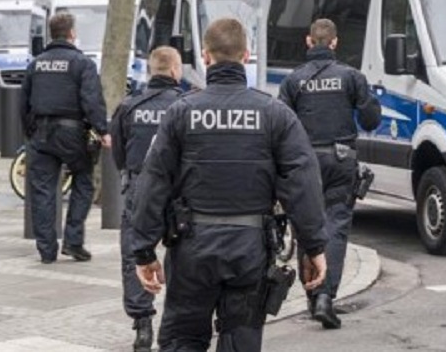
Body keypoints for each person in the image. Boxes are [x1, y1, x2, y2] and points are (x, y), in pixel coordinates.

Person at [130, 18, 329, 352]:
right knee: (241, 340)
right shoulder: (274, 114)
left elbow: (154, 181)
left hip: (192, 249)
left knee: (182, 340)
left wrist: (144, 250)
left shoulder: (181, 113)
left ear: (205, 57)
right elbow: (302, 183)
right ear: (246, 56)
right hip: (249, 248)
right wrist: (314, 246)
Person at [278, 18, 381, 329]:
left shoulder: (293, 80)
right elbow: (371, 119)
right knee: (336, 226)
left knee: (306, 227)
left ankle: (313, 297)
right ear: (334, 43)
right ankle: (325, 297)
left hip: (304, 161)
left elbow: (281, 127)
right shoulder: (351, 76)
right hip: (340, 159)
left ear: (309, 41)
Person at [20, 12, 110, 264]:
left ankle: (46, 250)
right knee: (84, 181)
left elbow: (23, 102)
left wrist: (29, 132)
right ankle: (73, 241)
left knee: (42, 191)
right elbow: (91, 101)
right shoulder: (82, 63)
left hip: (40, 133)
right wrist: (102, 130)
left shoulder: (36, 64)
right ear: (71, 33)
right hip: (72, 134)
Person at [110, 46, 183, 352]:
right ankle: (178, 320)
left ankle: (142, 324)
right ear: (175, 70)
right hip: (177, 190)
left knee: (135, 252)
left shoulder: (129, 106)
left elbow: (119, 154)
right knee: (183, 251)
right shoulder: (185, 105)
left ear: (152, 70)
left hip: (139, 185)